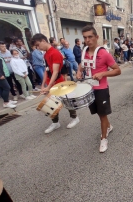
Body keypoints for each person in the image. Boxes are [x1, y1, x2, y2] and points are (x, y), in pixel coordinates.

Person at [76, 25, 121, 153]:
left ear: (97, 37)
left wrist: (103, 74)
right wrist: (78, 71)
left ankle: (103, 139)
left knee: (102, 115)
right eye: (85, 37)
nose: (87, 40)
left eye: (90, 37)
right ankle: (109, 126)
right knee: (99, 113)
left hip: (101, 89)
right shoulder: (83, 51)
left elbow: (118, 70)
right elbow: (82, 65)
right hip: (88, 88)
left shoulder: (104, 53)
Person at [31, 34, 80, 134]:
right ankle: (55, 122)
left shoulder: (55, 53)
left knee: (67, 101)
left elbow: (56, 71)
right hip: (51, 84)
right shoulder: (45, 54)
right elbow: (47, 70)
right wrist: (43, 84)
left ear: (43, 41)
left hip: (59, 83)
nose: (38, 48)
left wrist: (48, 87)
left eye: (38, 44)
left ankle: (75, 118)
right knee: (51, 104)